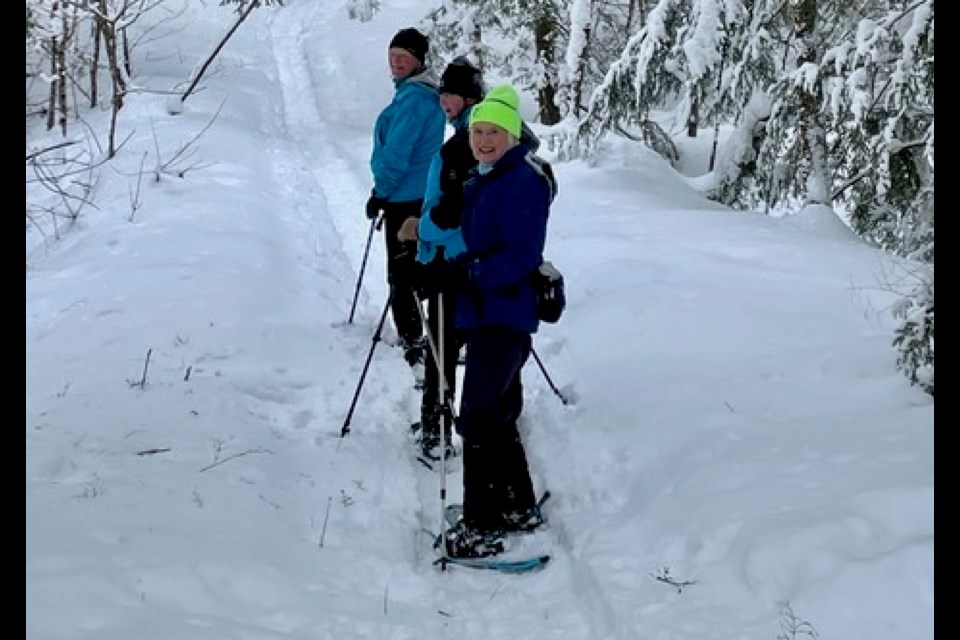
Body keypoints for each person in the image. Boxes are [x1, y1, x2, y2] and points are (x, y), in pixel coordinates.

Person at [434, 84, 558, 558]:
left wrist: (470, 272)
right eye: (478, 131)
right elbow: (482, 241)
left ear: (512, 135)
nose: (483, 139)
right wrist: (446, 265)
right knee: (500, 412)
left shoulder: (520, 181)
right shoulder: (487, 177)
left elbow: (522, 253)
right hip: (490, 309)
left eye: (494, 132)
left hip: (504, 312)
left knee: (480, 418)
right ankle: (516, 503)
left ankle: (481, 526)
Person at [396, 57, 484, 461]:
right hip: (471, 258)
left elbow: (456, 213)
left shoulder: (464, 145)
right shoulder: (484, 136)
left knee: (441, 347)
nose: (443, 99)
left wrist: (421, 230)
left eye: (451, 94)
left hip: (455, 260)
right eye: (444, 92)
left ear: (468, 99)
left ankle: (436, 430)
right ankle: (447, 424)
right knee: (454, 343)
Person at [366, 27, 446, 368]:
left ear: (418, 61)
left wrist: (380, 193)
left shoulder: (414, 100)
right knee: (414, 264)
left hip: (404, 197)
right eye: (393, 56)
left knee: (401, 271)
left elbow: (397, 154)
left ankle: (413, 338)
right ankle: (420, 331)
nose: (396, 63)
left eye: (404, 57)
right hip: (418, 193)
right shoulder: (419, 94)